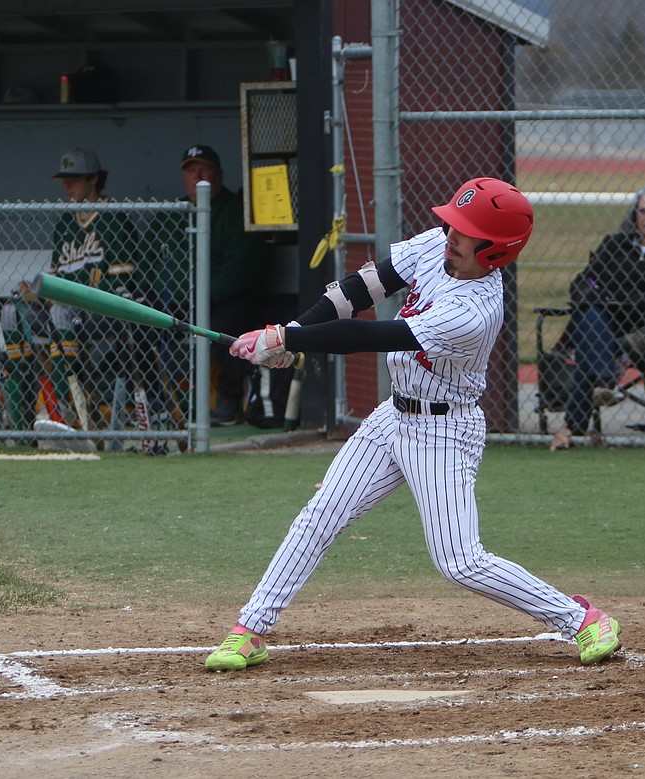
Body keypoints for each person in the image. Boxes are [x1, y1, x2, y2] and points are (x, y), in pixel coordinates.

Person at [204, 178, 622, 671]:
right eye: (453, 225)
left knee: (461, 562)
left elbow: (371, 335)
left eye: (466, 233)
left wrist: (284, 340)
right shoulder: (434, 245)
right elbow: (356, 292)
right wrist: (292, 333)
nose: (451, 235)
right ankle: (250, 629)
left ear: (495, 251)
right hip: (393, 417)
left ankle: (581, 619)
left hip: (444, 432)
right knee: (321, 516)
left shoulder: (474, 311)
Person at [548, 185, 645, 451]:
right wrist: (600, 297)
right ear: (634, 215)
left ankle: (575, 423)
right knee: (591, 317)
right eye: (643, 211)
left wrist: (626, 296)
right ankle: (603, 383)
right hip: (610, 324)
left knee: (590, 341)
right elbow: (584, 282)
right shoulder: (614, 245)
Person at [1, 147, 140, 431]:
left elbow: (121, 286)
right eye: (65, 179)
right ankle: (21, 420)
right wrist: (37, 291)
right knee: (10, 312)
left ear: (94, 179)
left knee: (62, 312)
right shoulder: (66, 222)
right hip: (63, 311)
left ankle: (65, 414)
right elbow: (55, 278)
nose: (67, 185)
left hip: (104, 311)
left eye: (74, 178)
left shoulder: (114, 218)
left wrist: (67, 296)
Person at [148, 144, 264, 425]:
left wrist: (199, 295)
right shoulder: (171, 215)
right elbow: (149, 264)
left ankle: (229, 399)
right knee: (141, 320)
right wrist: (178, 295)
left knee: (231, 322)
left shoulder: (235, 211)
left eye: (205, 168)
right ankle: (156, 400)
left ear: (219, 174)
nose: (197, 175)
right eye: (190, 170)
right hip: (175, 302)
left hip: (221, 301)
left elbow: (239, 272)